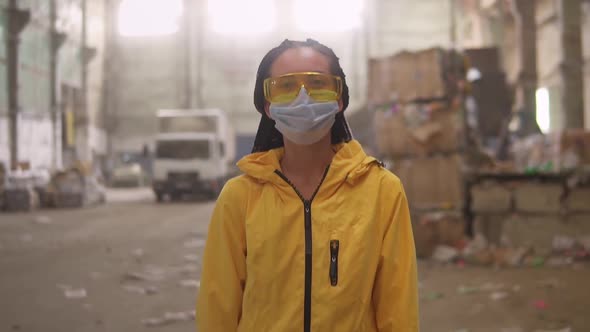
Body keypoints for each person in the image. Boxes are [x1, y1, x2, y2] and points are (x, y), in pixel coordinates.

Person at [197, 39, 419, 332]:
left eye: (317, 84)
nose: (303, 97)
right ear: (267, 106)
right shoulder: (240, 197)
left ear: (339, 100)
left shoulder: (382, 191)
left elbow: (397, 305)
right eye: (286, 87)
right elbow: (218, 307)